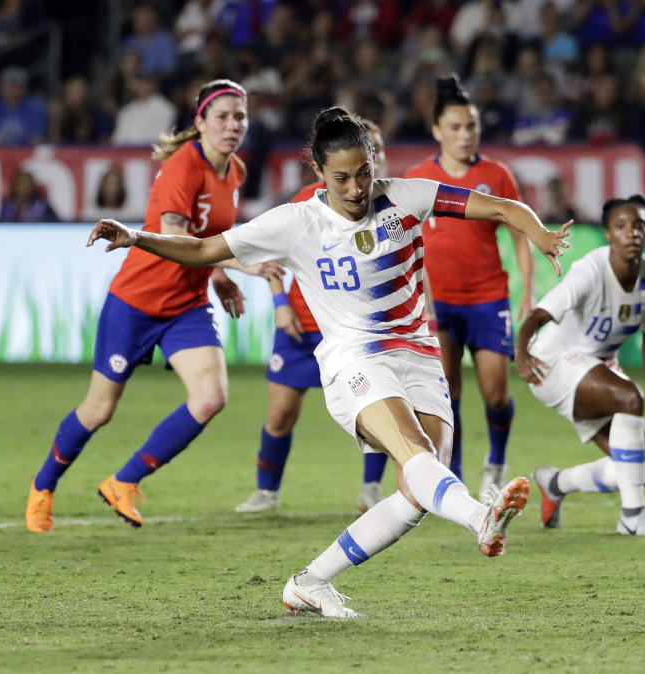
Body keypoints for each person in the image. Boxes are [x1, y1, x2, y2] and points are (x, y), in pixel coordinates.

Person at [85, 106, 571, 618]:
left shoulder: (407, 195)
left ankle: (310, 582)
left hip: (420, 354)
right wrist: (137, 237)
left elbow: (499, 208)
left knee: (415, 493)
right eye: (342, 177)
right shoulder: (296, 224)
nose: (357, 187)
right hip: (354, 359)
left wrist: (537, 233)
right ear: (319, 173)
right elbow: (205, 249)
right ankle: (481, 518)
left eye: (364, 172)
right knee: (417, 455)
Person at [25, 79, 281, 533]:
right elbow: (178, 238)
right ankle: (43, 485)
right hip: (138, 301)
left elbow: (208, 236)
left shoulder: (235, 170)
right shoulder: (184, 168)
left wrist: (218, 275)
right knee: (99, 410)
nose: (232, 125)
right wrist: (243, 265)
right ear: (199, 121)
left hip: (187, 305)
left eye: (239, 116)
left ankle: (124, 481)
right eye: (221, 116)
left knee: (210, 398)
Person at [235, 117, 393, 515]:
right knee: (281, 413)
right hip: (302, 326)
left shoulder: (390, 207)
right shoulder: (309, 199)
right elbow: (269, 253)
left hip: (356, 332)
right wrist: (279, 303)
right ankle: (266, 492)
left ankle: (371, 489)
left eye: (371, 153)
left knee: (373, 414)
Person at [517, 195, 645, 536]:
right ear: (608, 234)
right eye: (621, 226)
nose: (631, 233)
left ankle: (555, 482)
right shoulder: (591, 270)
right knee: (630, 397)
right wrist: (521, 351)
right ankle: (633, 517)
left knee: (643, 469)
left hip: (596, 367)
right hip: (551, 361)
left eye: (639, 225)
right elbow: (538, 315)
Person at [403, 74, 537, 504]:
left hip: (488, 297)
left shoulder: (496, 175)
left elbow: (519, 234)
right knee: (448, 392)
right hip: (438, 303)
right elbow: (404, 242)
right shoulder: (418, 178)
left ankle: (495, 463)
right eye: (456, 127)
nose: (465, 135)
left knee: (496, 391)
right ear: (437, 130)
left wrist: (528, 294)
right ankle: (456, 475)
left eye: (472, 127)